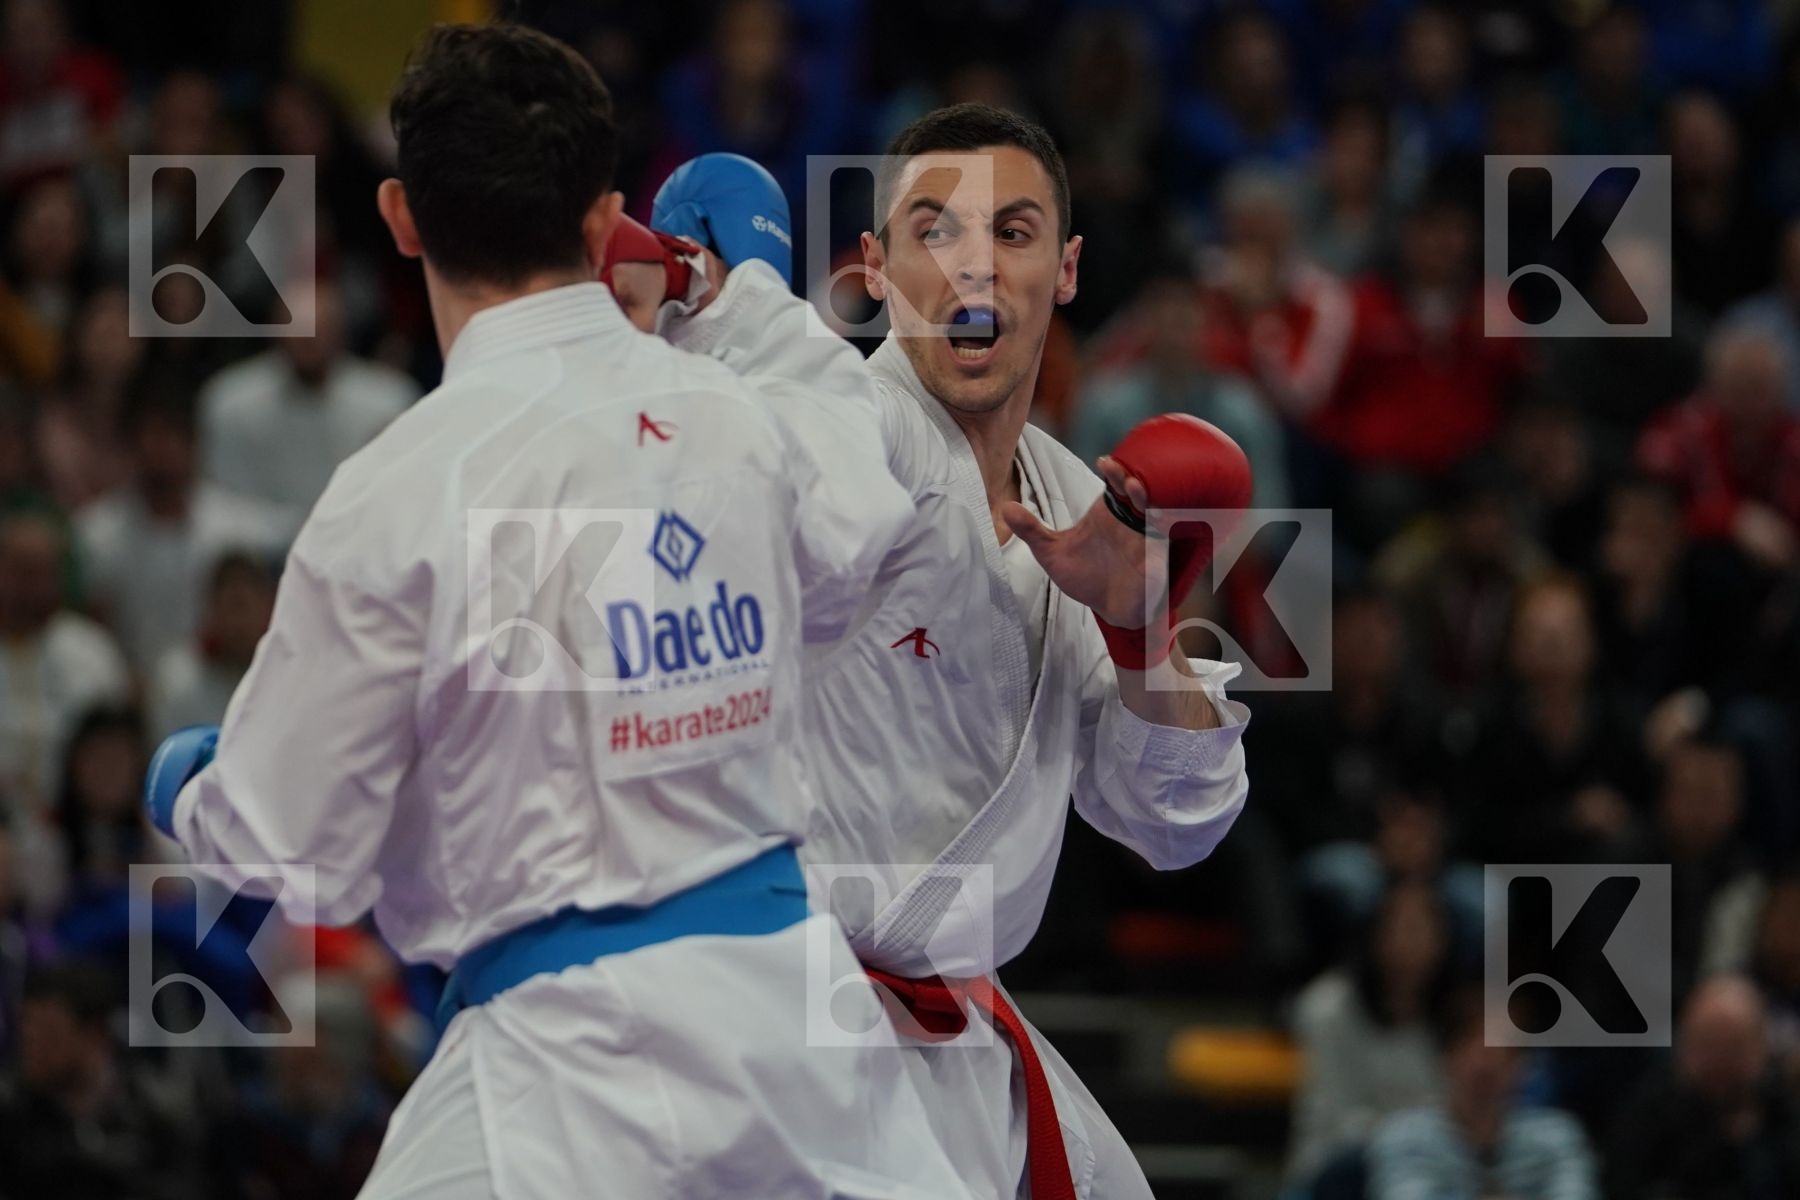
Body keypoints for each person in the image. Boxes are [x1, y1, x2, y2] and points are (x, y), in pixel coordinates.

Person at [143, 23, 969, 1200]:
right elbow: (868, 504)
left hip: (564, 1061)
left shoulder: (394, 492)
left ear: (401, 218)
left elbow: (297, 861)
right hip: (798, 1018)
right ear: (604, 218)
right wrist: (723, 298)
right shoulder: (741, 417)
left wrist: (194, 793)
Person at [650, 103, 1251, 1200]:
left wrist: (1141, 636)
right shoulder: (836, 429)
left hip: (952, 1039)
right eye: (935, 230)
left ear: (1065, 271)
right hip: (780, 1015)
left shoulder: (1089, 502)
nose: (974, 266)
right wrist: (716, 302)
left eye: (1013, 233)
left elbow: (1176, 826)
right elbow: (745, 431)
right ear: (876, 269)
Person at [1367, 991, 1598, 1200]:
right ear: (1447, 1056)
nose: (1487, 1061)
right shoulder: (1403, 1137)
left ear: (1523, 1066)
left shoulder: (1557, 1137)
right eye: (1472, 1046)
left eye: (1503, 1050)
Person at [1604, 975, 1800, 1199]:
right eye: (1709, 1042)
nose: (1721, 1059)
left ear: (1762, 1047)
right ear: (1684, 1043)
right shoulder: (1648, 1113)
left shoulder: (1782, 1117)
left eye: (1734, 1045)